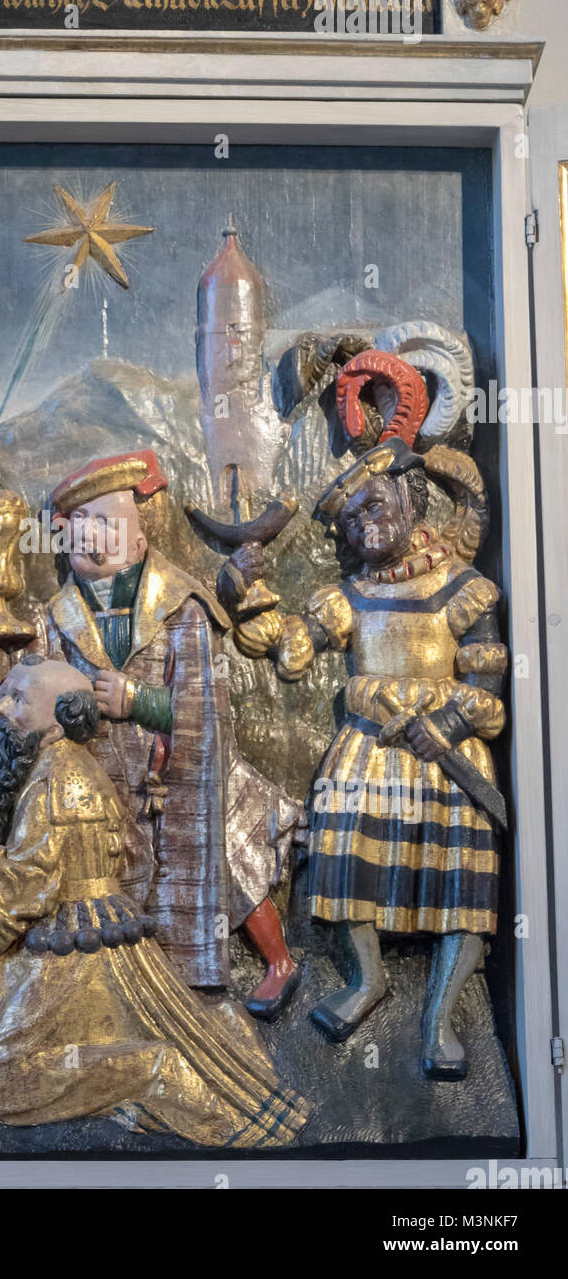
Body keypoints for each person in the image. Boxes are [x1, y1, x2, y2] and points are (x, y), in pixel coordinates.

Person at [0, 450, 302, 1013]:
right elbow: (18, 696)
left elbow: (207, 708)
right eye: (84, 526)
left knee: (231, 863)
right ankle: (117, 986)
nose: (97, 539)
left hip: (178, 782)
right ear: (63, 538)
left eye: (111, 525)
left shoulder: (184, 608)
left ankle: (269, 964)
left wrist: (138, 701)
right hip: (97, 787)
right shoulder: (52, 618)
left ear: (139, 539)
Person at [0, 655, 310, 1148]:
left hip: (75, 941)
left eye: (18, 698)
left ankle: (155, 1069)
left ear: (59, 719)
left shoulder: (57, 781)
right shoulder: (68, 766)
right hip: (98, 929)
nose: (0, 708)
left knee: (3, 1084)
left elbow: (31, 881)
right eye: (5, 694)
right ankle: (149, 1065)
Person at [224, 429, 507, 1080]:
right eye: (351, 522)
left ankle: (439, 1020)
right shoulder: (349, 597)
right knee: (346, 860)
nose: (364, 526)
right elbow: (292, 653)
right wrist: (246, 590)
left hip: (443, 748)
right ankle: (366, 978)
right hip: (370, 750)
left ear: (412, 502)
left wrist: (448, 721)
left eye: (373, 507)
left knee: (457, 882)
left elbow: (486, 677)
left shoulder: (460, 588)